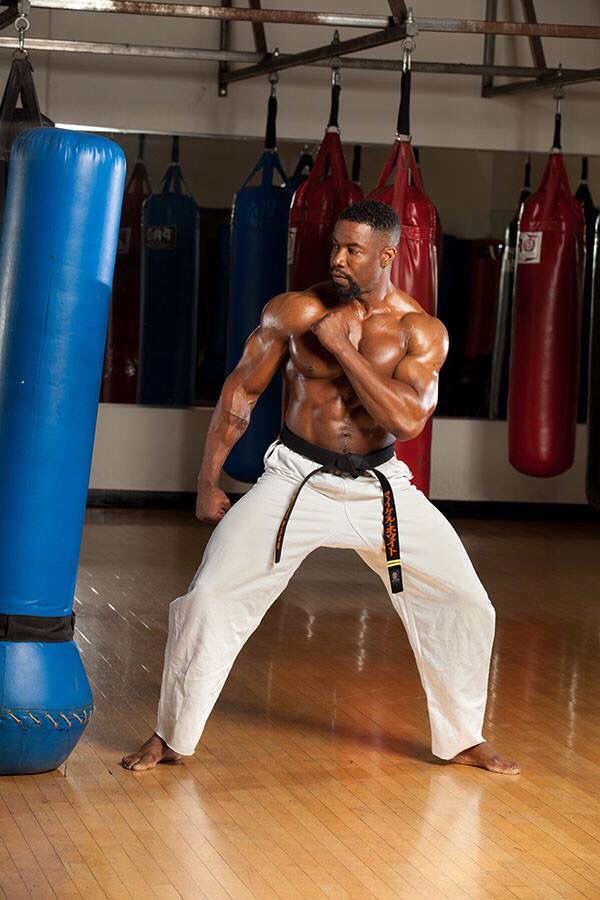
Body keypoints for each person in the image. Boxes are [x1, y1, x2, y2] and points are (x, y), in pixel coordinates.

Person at [122, 199, 520, 775]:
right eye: (335, 245)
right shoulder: (293, 311)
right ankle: (170, 734)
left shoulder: (419, 330)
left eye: (352, 250)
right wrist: (207, 480)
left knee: (464, 601)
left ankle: (461, 736)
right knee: (210, 598)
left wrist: (341, 349)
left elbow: (406, 421)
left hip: (382, 487)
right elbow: (240, 394)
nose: (337, 258)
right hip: (294, 479)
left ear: (387, 255)